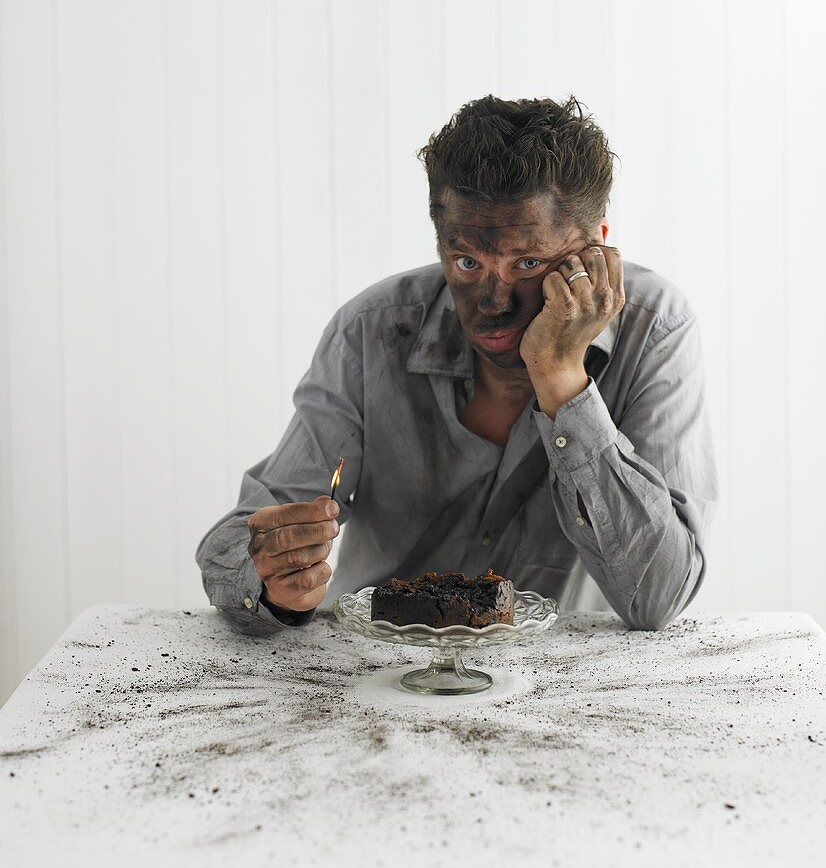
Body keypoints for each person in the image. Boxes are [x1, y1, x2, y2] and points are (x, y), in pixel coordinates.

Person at [195, 94, 718, 634]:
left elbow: (660, 596)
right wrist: (273, 582)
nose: (492, 304)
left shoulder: (656, 331)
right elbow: (238, 542)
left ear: (597, 247)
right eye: (467, 261)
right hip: (378, 673)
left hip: (565, 685)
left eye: (528, 263)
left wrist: (561, 377)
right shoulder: (372, 331)